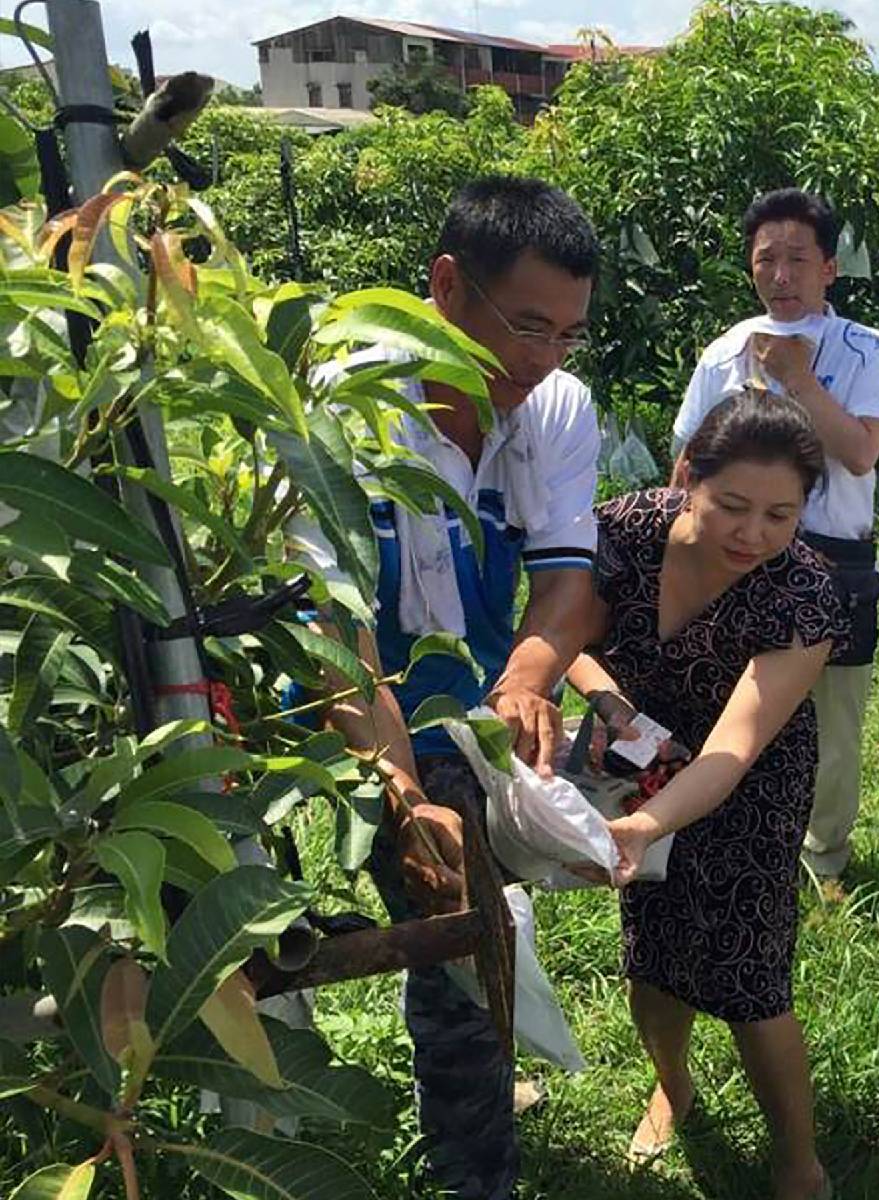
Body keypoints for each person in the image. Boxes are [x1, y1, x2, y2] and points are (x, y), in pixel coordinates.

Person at [287, 175, 601, 1200]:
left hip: (467, 712)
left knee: (482, 931)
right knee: (453, 920)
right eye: (526, 326)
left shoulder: (552, 406)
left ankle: (474, 1091)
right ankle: (474, 1169)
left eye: (568, 334)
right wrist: (403, 792)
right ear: (445, 285)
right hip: (342, 709)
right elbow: (333, 638)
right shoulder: (336, 404)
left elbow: (563, 583)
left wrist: (527, 675)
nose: (542, 359)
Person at [488, 392, 847, 1200]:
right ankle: (673, 1086)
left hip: (750, 784)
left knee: (751, 978)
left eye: (781, 515)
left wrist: (648, 825)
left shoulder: (806, 593)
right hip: (633, 756)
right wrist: (613, 704)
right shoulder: (620, 533)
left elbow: (735, 745)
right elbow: (563, 635)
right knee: (652, 956)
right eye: (732, 506)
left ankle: (799, 1162)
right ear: (688, 476)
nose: (752, 534)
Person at [668, 187, 879, 881]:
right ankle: (734, 837)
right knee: (729, 704)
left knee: (833, 725)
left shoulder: (867, 349)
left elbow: (860, 453)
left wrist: (798, 380)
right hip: (732, 557)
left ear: (829, 268)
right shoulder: (725, 352)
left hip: (833, 560)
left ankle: (822, 859)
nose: (781, 275)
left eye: (798, 259)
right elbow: (686, 462)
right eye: (766, 259)